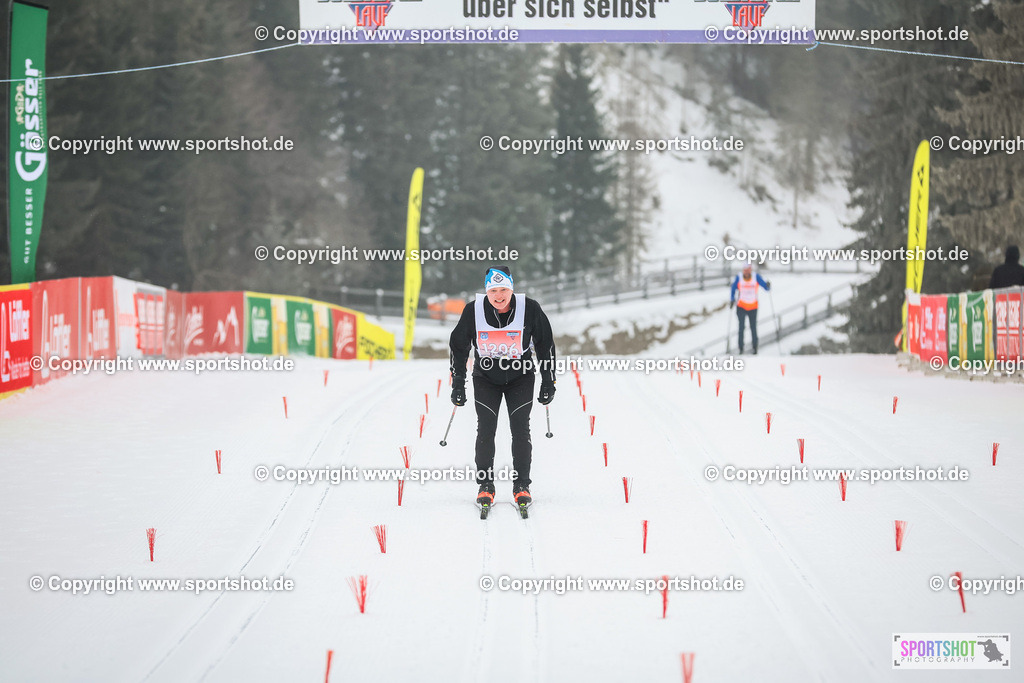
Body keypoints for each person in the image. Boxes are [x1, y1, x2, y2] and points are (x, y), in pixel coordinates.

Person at [449, 266, 556, 509]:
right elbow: (459, 346)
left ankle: (522, 486)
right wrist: (458, 382)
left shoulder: (530, 308)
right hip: (486, 378)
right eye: (494, 290)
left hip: (521, 376)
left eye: (504, 289)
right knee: (486, 430)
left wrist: (548, 380)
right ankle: (485, 486)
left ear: (512, 289)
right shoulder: (472, 311)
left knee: (520, 430)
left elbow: (545, 344)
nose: (499, 296)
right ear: (487, 291)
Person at [729, 262, 771, 354]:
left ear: (750, 269)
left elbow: (765, 287)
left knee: (753, 328)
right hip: (741, 307)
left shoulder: (756, 277)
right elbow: (733, 288)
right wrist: (732, 299)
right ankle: (741, 349)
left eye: (748, 269)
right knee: (741, 328)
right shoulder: (739, 277)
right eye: (745, 270)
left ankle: (755, 348)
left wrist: (768, 285)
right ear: (743, 270)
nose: (746, 272)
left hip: (753, 307)